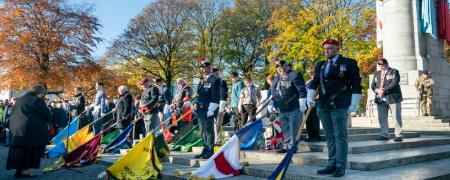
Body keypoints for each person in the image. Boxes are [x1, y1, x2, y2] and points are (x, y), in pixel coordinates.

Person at [308, 39, 362, 177]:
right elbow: (315, 82)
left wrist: (354, 103)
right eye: (325, 48)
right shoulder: (320, 64)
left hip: (340, 104)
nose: (327, 51)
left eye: (330, 48)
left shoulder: (348, 63)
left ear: (337, 49)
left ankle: (341, 166)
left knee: (340, 135)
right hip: (322, 105)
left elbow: (356, 83)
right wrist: (309, 97)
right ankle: (331, 164)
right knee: (329, 136)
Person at [6, 84, 51, 178]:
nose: (42, 96)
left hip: (17, 129)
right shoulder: (37, 100)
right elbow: (47, 115)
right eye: (42, 94)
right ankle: (25, 172)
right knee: (29, 151)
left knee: (20, 151)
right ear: (40, 93)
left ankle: (19, 171)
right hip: (30, 131)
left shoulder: (20, 99)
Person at [269, 59, 307, 154]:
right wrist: (271, 103)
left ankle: (293, 147)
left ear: (286, 66)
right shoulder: (277, 77)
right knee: (285, 128)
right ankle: (286, 145)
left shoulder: (295, 75)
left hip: (293, 106)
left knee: (294, 128)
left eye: (281, 68)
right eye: (278, 69)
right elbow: (273, 89)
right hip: (281, 108)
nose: (280, 70)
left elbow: (301, 90)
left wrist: (302, 103)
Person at [371, 58, 403, 141]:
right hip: (380, 99)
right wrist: (377, 90)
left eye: (383, 65)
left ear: (387, 64)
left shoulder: (394, 71)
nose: (382, 67)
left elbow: (394, 83)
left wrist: (383, 90)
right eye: (380, 66)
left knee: (396, 117)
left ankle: (398, 135)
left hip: (392, 97)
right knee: (382, 117)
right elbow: (373, 85)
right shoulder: (377, 73)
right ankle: (384, 134)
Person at [194, 58, 220, 159]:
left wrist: (211, 109)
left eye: (205, 69)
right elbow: (199, 95)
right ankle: (205, 149)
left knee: (209, 130)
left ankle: (210, 150)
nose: (203, 71)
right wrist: (191, 102)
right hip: (200, 109)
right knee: (202, 130)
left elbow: (215, 96)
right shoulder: (202, 81)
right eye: (202, 69)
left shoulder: (214, 80)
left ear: (210, 68)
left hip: (209, 108)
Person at [212, 68, 228, 145]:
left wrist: (222, 101)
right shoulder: (210, 82)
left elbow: (224, 92)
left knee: (217, 123)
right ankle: (211, 139)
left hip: (219, 104)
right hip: (210, 105)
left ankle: (217, 140)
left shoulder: (221, 81)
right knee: (212, 123)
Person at [305, 65, 321, 142]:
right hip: (307, 101)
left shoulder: (318, 81)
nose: (311, 75)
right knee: (308, 119)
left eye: (313, 73)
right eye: (310, 73)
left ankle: (315, 136)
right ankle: (310, 135)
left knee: (314, 119)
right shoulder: (308, 82)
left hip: (315, 101)